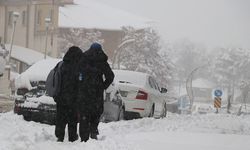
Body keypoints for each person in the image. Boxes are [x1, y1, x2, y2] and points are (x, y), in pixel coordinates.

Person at [78, 43, 114, 142]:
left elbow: (78, 73)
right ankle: (93, 131)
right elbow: (110, 76)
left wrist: (81, 83)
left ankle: (83, 137)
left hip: (85, 91)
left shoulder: (84, 59)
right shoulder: (102, 61)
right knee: (95, 112)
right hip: (97, 91)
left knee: (84, 113)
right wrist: (103, 86)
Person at [54, 46, 82, 142]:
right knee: (72, 118)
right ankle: (72, 137)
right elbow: (80, 83)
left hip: (61, 97)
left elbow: (56, 81)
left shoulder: (61, 65)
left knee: (60, 117)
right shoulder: (78, 67)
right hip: (73, 98)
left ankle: (59, 136)